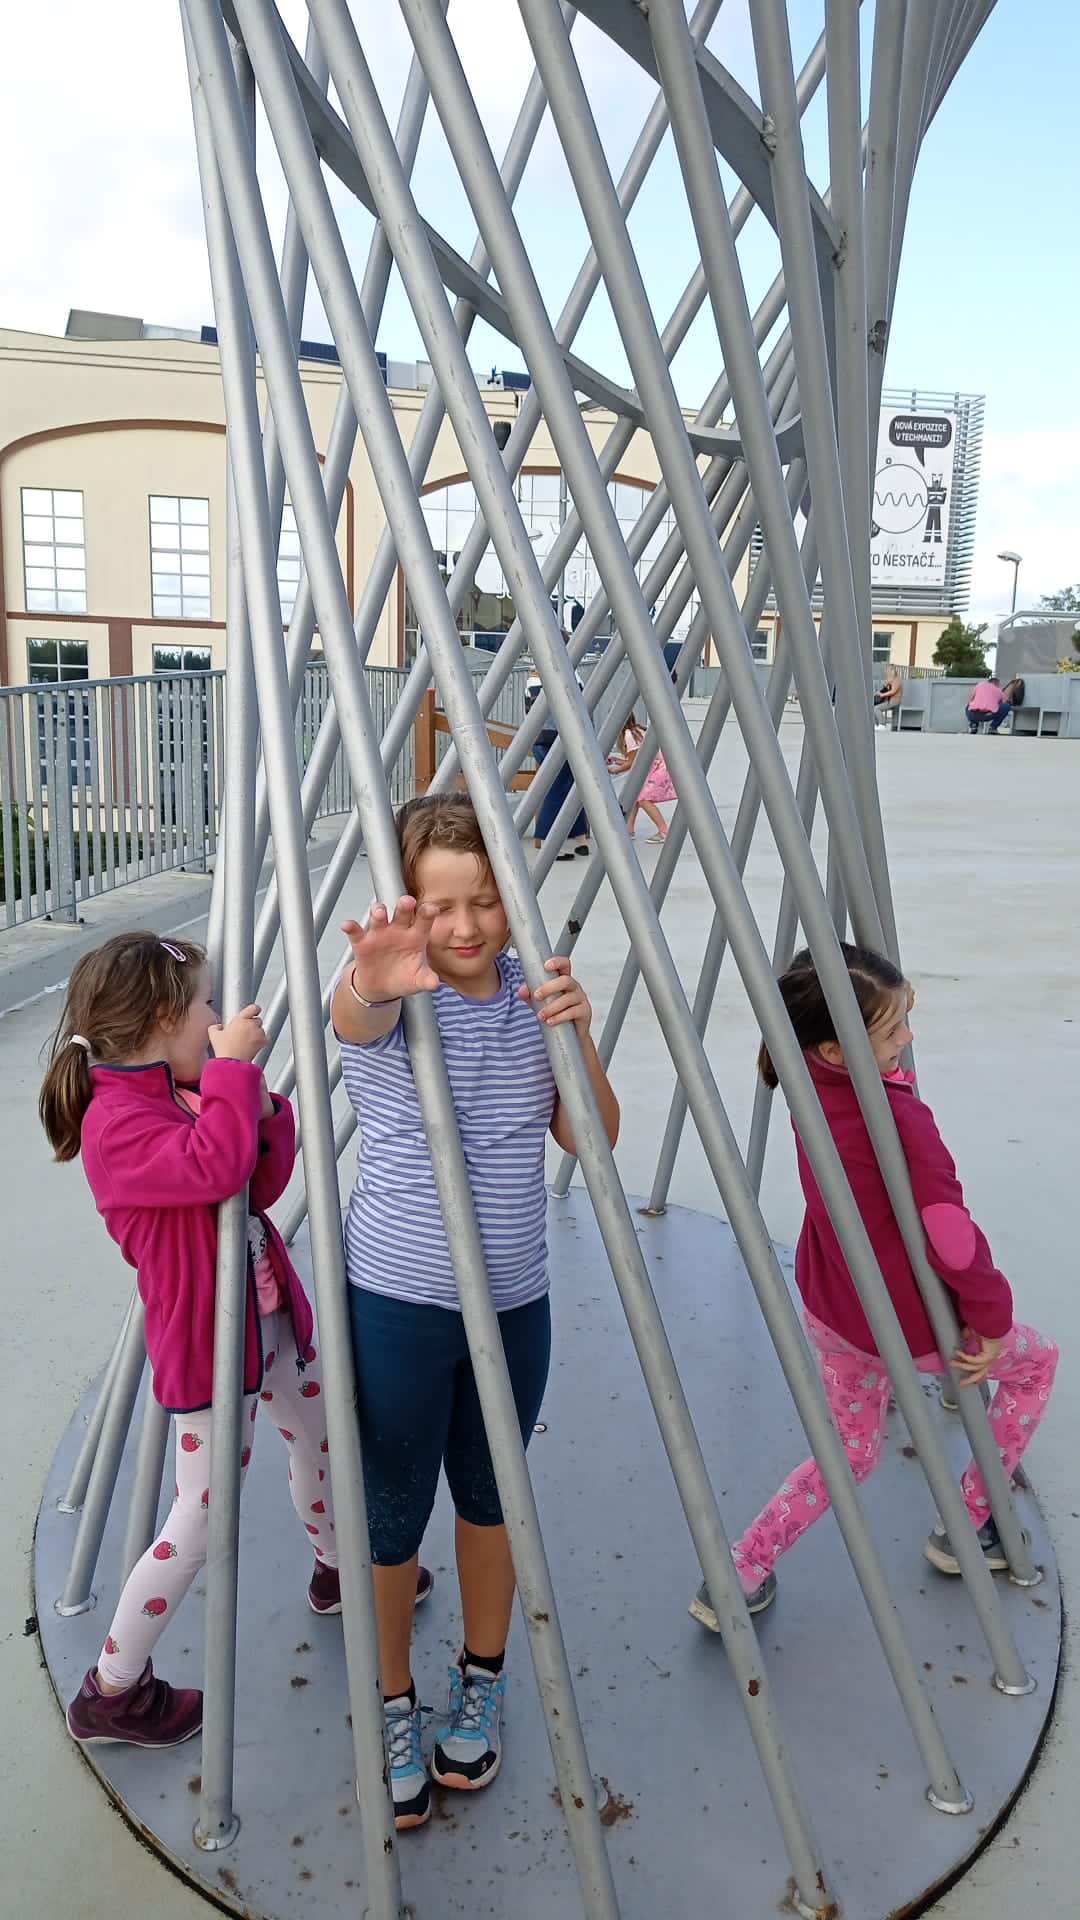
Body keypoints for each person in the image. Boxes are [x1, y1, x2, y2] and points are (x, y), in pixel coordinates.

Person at [39, 933, 403, 1748]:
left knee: (320, 1439)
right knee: (201, 1519)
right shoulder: (114, 1123)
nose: (217, 1017)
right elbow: (212, 1170)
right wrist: (234, 1074)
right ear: (162, 1020)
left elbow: (258, 1179)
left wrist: (256, 1101)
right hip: (209, 1348)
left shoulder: (177, 1090)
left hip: (262, 1317)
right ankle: (112, 1688)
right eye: (205, 1004)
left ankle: (335, 1567)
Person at [332, 795, 619, 1830]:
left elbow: (593, 1136)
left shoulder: (531, 999)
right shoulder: (396, 987)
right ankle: (391, 1699)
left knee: (494, 1501)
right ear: (409, 906)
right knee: (394, 1508)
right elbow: (354, 1013)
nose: (464, 926)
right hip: (397, 1305)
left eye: (486, 901)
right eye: (440, 904)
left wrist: (577, 1034)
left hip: (512, 1305)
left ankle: (482, 1677)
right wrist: (373, 978)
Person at [689, 943, 1058, 1631]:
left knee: (850, 1454)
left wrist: (881, 1009)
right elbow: (949, 1236)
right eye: (892, 1032)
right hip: (910, 1324)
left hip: (836, 1309)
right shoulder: (899, 1119)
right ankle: (972, 1521)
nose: (907, 1039)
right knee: (1037, 1365)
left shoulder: (802, 1077)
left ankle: (742, 1567)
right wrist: (991, 1317)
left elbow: (826, 1004)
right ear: (838, 1048)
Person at [525, 637, 590, 860]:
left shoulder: (537, 677)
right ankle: (548, 840)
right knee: (559, 788)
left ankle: (578, 838)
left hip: (551, 738)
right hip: (558, 739)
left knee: (570, 786)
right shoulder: (562, 676)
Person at [607, 712, 676, 843]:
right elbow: (636, 760)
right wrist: (616, 761)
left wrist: (614, 771)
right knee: (636, 798)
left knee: (644, 799)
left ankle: (664, 831)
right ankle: (628, 829)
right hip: (658, 767)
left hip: (657, 769)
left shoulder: (628, 735)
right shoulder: (637, 730)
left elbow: (632, 763)